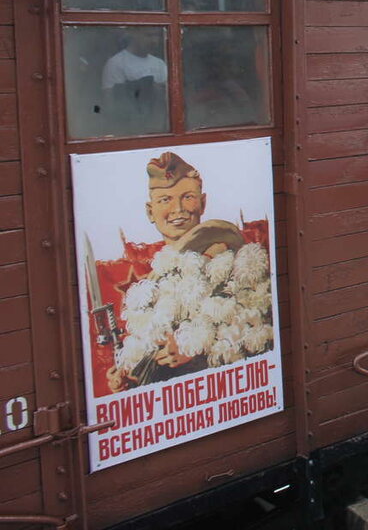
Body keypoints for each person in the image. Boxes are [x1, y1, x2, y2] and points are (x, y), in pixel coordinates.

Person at [94, 152, 270, 395]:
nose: (177, 209)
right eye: (165, 199)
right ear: (150, 211)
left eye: (187, 197)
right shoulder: (154, 279)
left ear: (203, 202)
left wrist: (194, 350)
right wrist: (131, 380)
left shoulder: (229, 256)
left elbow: (254, 336)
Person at [101, 27, 168, 134]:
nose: (154, 40)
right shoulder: (116, 63)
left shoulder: (159, 64)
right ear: (133, 33)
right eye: (149, 35)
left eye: (157, 36)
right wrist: (148, 87)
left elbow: (167, 100)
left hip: (158, 129)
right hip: (130, 130)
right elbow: (110, 101)